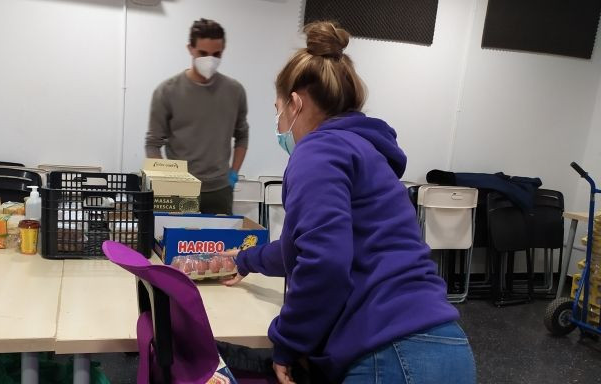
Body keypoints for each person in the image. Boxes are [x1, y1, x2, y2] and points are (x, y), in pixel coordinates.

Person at [222, 21, 476, 384]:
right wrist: (247, 260)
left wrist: (288, 341)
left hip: (390, 353)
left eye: (277, 110)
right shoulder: (364, 150)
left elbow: (323, 261)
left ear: (295, 103)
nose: (279, 124)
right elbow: (305, 246)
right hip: (441, 342)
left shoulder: (316, 152)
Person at [145, 18, 249, 215]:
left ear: (223, 51)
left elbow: (242, 134)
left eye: (216, 54)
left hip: (220, 190)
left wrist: (233, 173)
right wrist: (167, 179)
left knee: (219, 245)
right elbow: (152, 143)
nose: (209, 60)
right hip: (178, 191)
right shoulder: (167, 91)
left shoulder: (234, 91)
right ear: (190, 49)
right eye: (202, 53)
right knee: (175, 245)